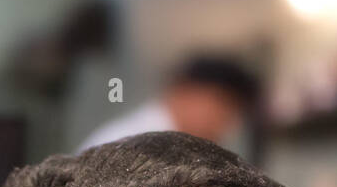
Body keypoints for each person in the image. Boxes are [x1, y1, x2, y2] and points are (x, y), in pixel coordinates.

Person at [78, 54, 260, 152]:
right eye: (224, 107)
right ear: (184, 91)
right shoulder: (128, 142)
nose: (229, 123)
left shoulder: (183, 147)